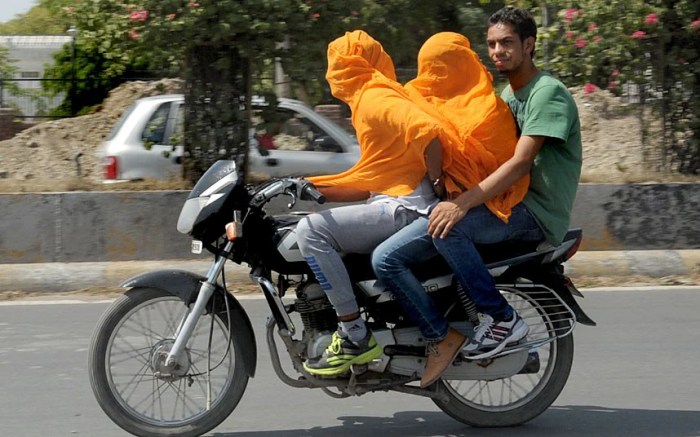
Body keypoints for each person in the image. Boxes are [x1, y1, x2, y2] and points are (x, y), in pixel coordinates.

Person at [373, 7, 582, 387]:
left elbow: (520, 163)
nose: (497, 51)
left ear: (529, 44)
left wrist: (462, 202)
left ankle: (500, 316)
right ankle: (434, 333)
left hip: (532, 211)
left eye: (506, 43)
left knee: (448, 229)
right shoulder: (501, 94)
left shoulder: (547, 93)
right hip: (499, 203)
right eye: (491, 44)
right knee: (388, 257)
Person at [371, 31, 529, 388]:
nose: (429, 78)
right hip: (456, 200)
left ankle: (485, 320)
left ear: (457, 67)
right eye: (427, 69)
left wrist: (453, 199)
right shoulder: (437, 102)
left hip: (491, 204)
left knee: (387, 259)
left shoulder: (488, 110)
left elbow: (499, 166)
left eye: (437, 69)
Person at [296, 30, 446, 377]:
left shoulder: (374, 98)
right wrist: (313, 188)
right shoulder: (370, 99)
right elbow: (375, 180)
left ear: (351, 64)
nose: (332, 72)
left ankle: (354, 335)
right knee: (312, 219)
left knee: (311, 231)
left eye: (337, 63)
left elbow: (427, 131)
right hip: (393, 201)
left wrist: (438, 185)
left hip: (405, 208)